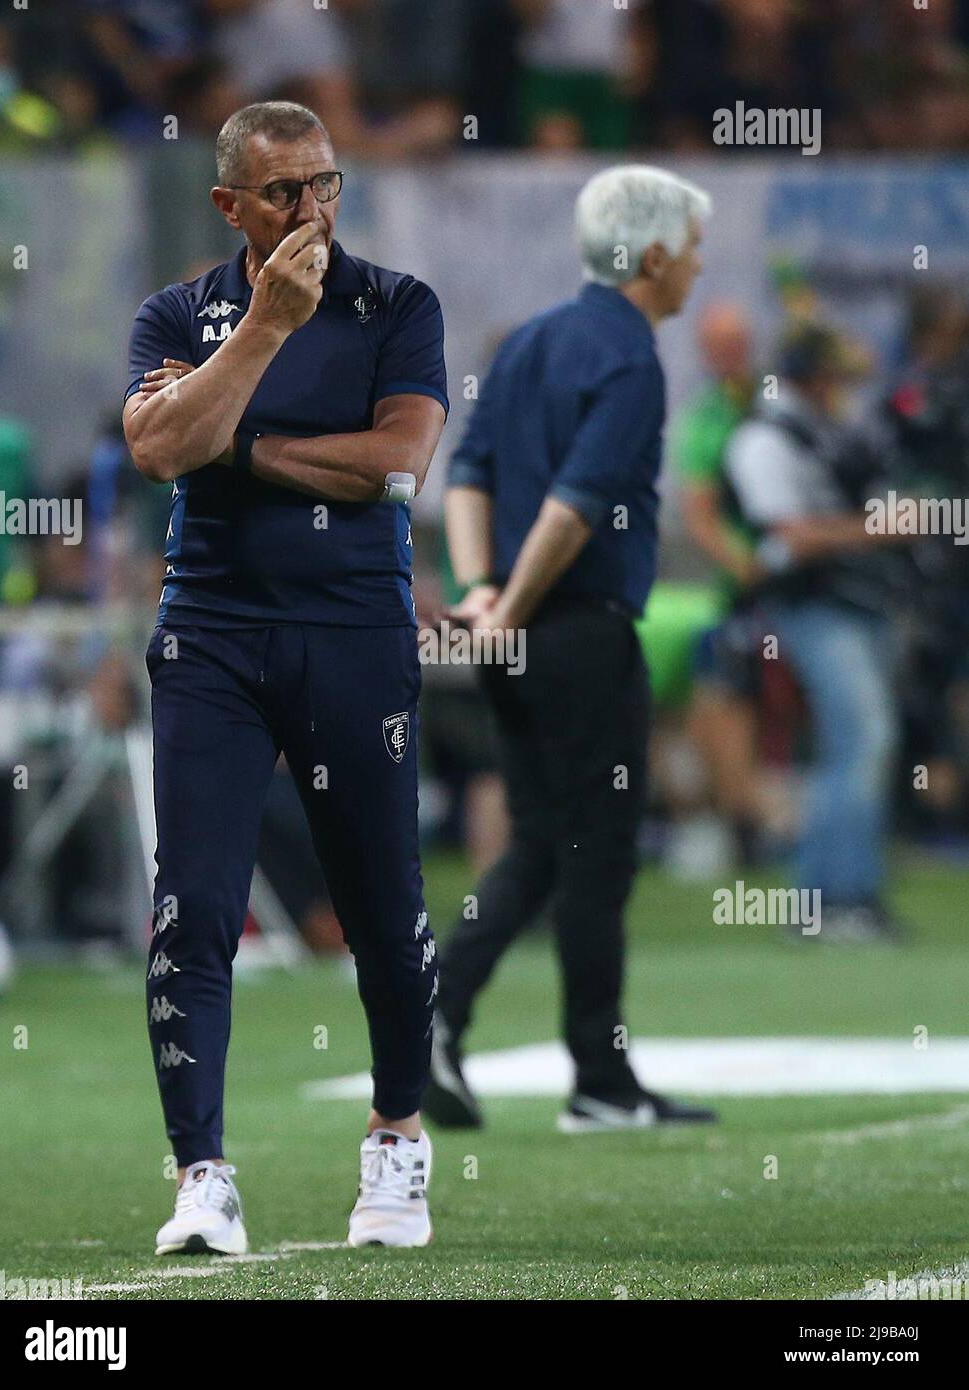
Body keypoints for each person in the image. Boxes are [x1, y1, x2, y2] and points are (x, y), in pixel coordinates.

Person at [122, 101, 448, 1252]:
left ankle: (397, 1136)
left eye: (326, 185)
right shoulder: (181, 310)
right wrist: (260, 333)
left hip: (353, 629)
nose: (312, 210)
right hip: (210, 631)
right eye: (283, 193)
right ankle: (201, 1174)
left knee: (382, 908)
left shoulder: (397, 306)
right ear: (231, 207)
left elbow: (396, 464)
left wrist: (238, 440)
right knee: (192, 909)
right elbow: (160, 449)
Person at [424, 164, 718, 1133]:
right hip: (578, 630)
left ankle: (431, 1022)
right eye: (692, 246)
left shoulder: (533, 339)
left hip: (513, 631)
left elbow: (467, 471)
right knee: (596, 858)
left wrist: (481, 592)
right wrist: (516, 600)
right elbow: (580, 502)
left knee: (542, 845)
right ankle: (599, 1080)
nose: (699, 266)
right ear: (655, 254)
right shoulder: (629, 356)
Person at [723, 324, 906, 941]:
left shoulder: (824, 432)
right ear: (811, 376)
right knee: (862, 739)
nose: (844, 389)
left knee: (853, 745)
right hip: (812, 606)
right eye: (835, 376)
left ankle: (836, 898)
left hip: (854, 604)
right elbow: (788, 535)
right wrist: (877, 528)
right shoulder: (763, 438)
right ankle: (834, 900)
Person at [674, 302, 765, 862]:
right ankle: (739, 819)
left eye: (737, 340)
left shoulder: (773, 400)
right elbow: (699, 509)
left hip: (814, 579)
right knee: (722, 696)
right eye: (718, 343)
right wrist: (748, 565)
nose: (729, 353)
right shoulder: (707, 417)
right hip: (748, 589)